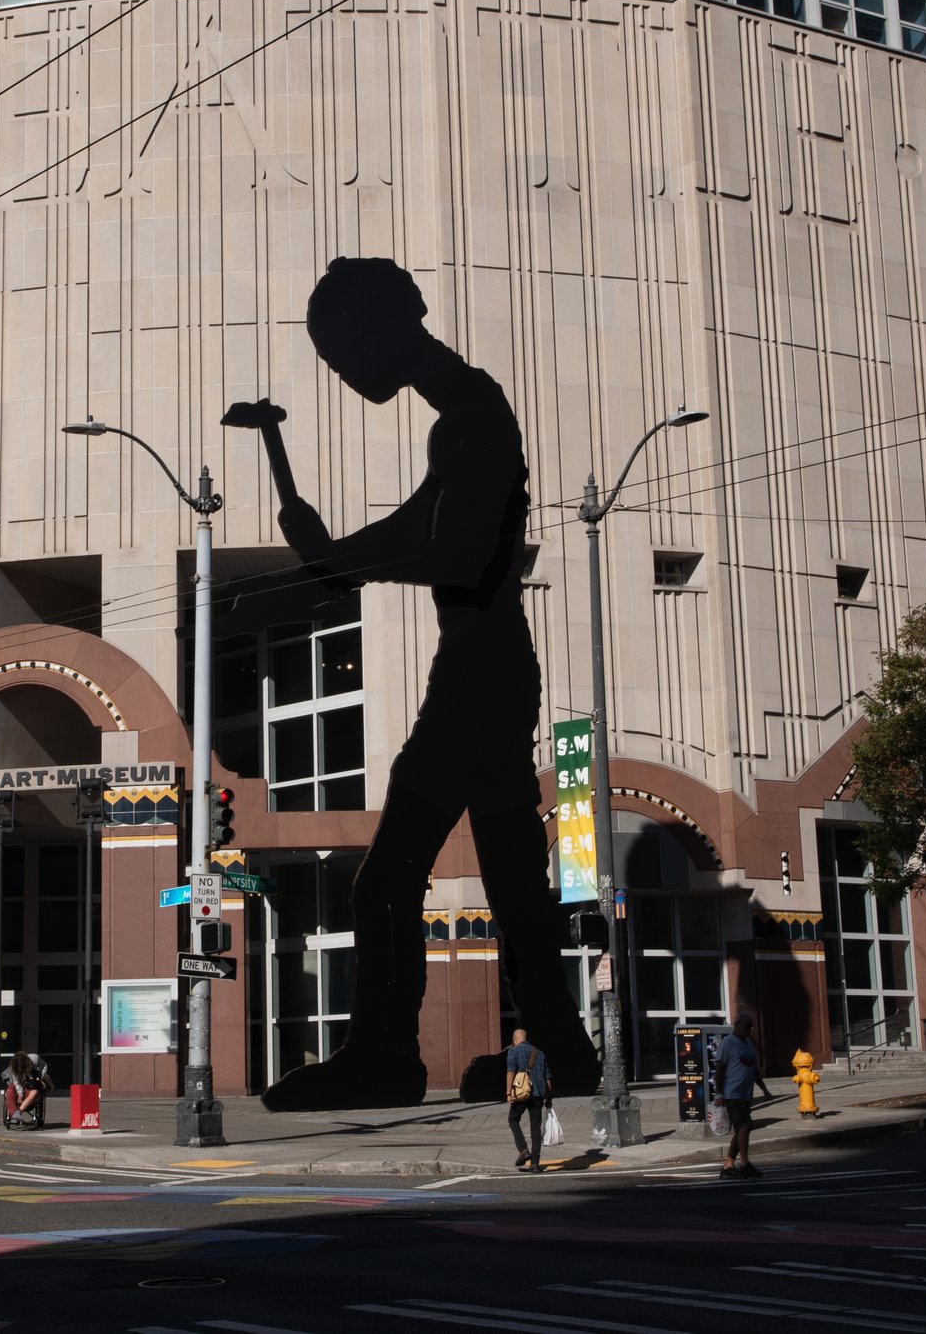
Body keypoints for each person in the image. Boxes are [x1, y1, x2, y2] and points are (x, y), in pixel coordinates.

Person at [236, 258, 596, 1112]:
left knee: (389, 873)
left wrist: (328, 567)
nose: (344, 373)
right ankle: (562, 1047)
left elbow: (454, 548)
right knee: (510, 871)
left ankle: (386, 1053)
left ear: (386, 327)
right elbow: (420, 526)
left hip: (480, 672)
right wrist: (329, 561)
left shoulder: (471, 413)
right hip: (487, 667)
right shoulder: (466, 411)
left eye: (342, 353)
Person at [714, 1013, 763, 1179]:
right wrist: (719, 1093)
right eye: (746, 1027)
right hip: (732, 1094)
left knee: (740, 1130)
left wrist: (764, 1089)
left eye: (751, 1028)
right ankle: (745, 1163)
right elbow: (719, 1070)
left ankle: (728, 1165)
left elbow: (753, 1069)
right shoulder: (728, 1043)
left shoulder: (748, 1043)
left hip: (746, 1094)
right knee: (745, 1125)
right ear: (736, 1026)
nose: (749, 1031)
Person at [505, 1027, 551, 1171]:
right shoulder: (540, 1053)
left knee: (513, 1119)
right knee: (535, 1129)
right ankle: (535, 1164)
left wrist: (508, 1092)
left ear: (515, 1040)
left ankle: (523, 1150)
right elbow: (548, 1077)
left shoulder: (514, 1050)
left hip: (522, 1093)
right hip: (538, 1095)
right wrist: (549, 1097)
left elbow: (511, 1071)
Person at [4, 1051, 49, 1129]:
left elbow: (44, 1066)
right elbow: (17, 1082)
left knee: (35, 1092)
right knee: (9, 1090)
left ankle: (18, 1113)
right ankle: (14, 1114)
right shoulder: (14, 1067)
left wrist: (41, 1076)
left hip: (33, 1085)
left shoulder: (35, 1058)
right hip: (21, 1086)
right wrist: (20, 1094)